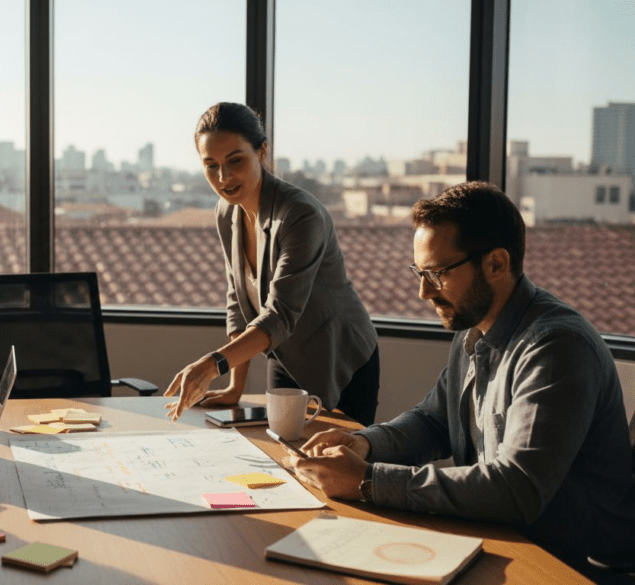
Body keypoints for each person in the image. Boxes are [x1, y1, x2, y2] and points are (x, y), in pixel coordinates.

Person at [287, 181, 635, 574]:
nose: (422, 292)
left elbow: (517, 490)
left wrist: (369, 481)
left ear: (497, 264)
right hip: (507, 540)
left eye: (436, 274)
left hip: (573, 569)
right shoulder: (473, 330)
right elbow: (433, 421)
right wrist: (365, 444)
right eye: (419, 272)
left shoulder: (555, 348)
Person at [165, 102, 379, 425]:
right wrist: (234, 386)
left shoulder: (300, 214)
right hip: (283, 354)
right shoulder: (226, 212)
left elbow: (280, 314)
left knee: (333, 465)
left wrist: (211, 366)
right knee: (279, 452)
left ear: (262, 151)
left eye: (235, 161)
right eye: (210, 165)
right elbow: (237, 301)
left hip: (340, 359)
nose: (223, 177)